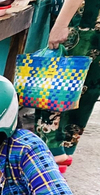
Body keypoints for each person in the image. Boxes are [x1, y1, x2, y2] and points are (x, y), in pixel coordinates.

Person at [34, 0, 100, 172]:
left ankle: (53, 150)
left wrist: (61, 24)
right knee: (86, 86)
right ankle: (63, 149)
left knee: (59, 81)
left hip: (83, 20)